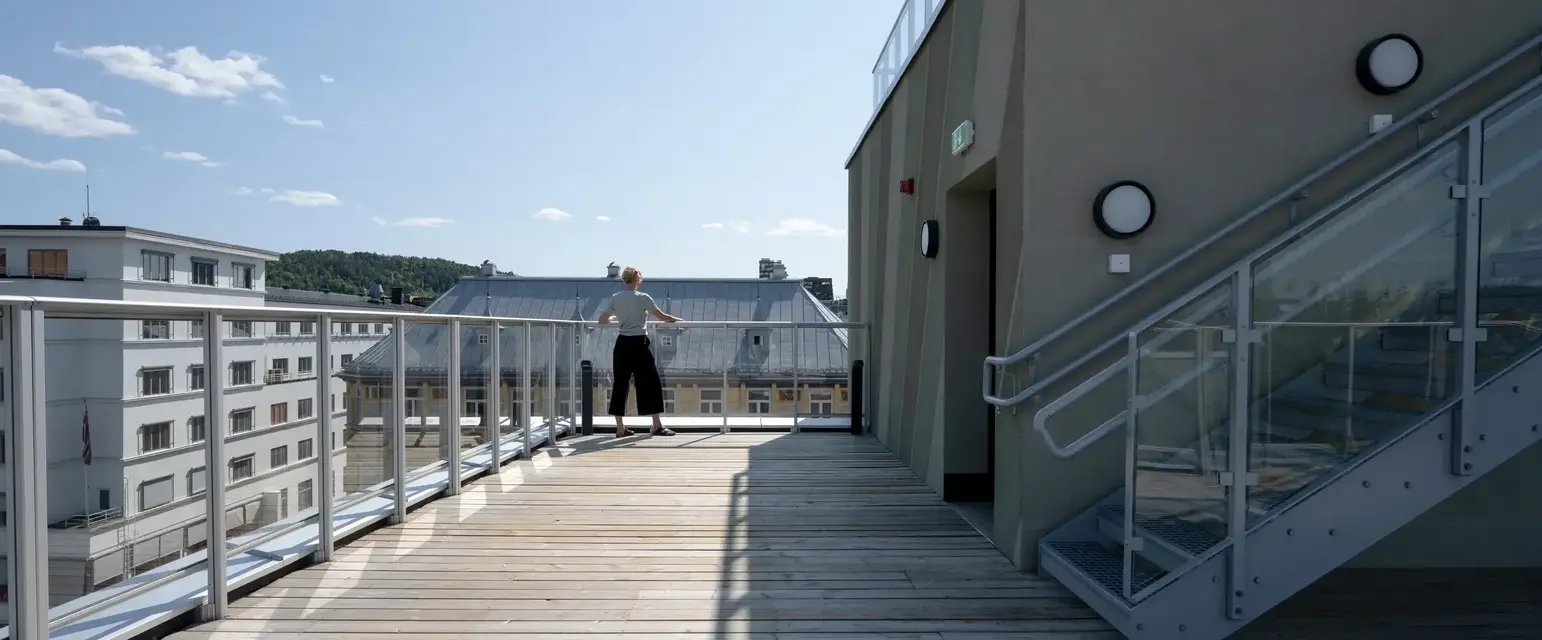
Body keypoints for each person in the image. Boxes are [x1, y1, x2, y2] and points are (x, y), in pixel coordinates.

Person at [597, 266, 682, 438]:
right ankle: (656, 425)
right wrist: (681, 321)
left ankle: (620, 428)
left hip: (622, 344)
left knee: (620, 384)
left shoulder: (616, 298)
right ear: (637, 279)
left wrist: (617, 318)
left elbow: (602, 320)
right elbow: (663, 317)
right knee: (651, 382)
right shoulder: (643, 298)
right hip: (639, 344)